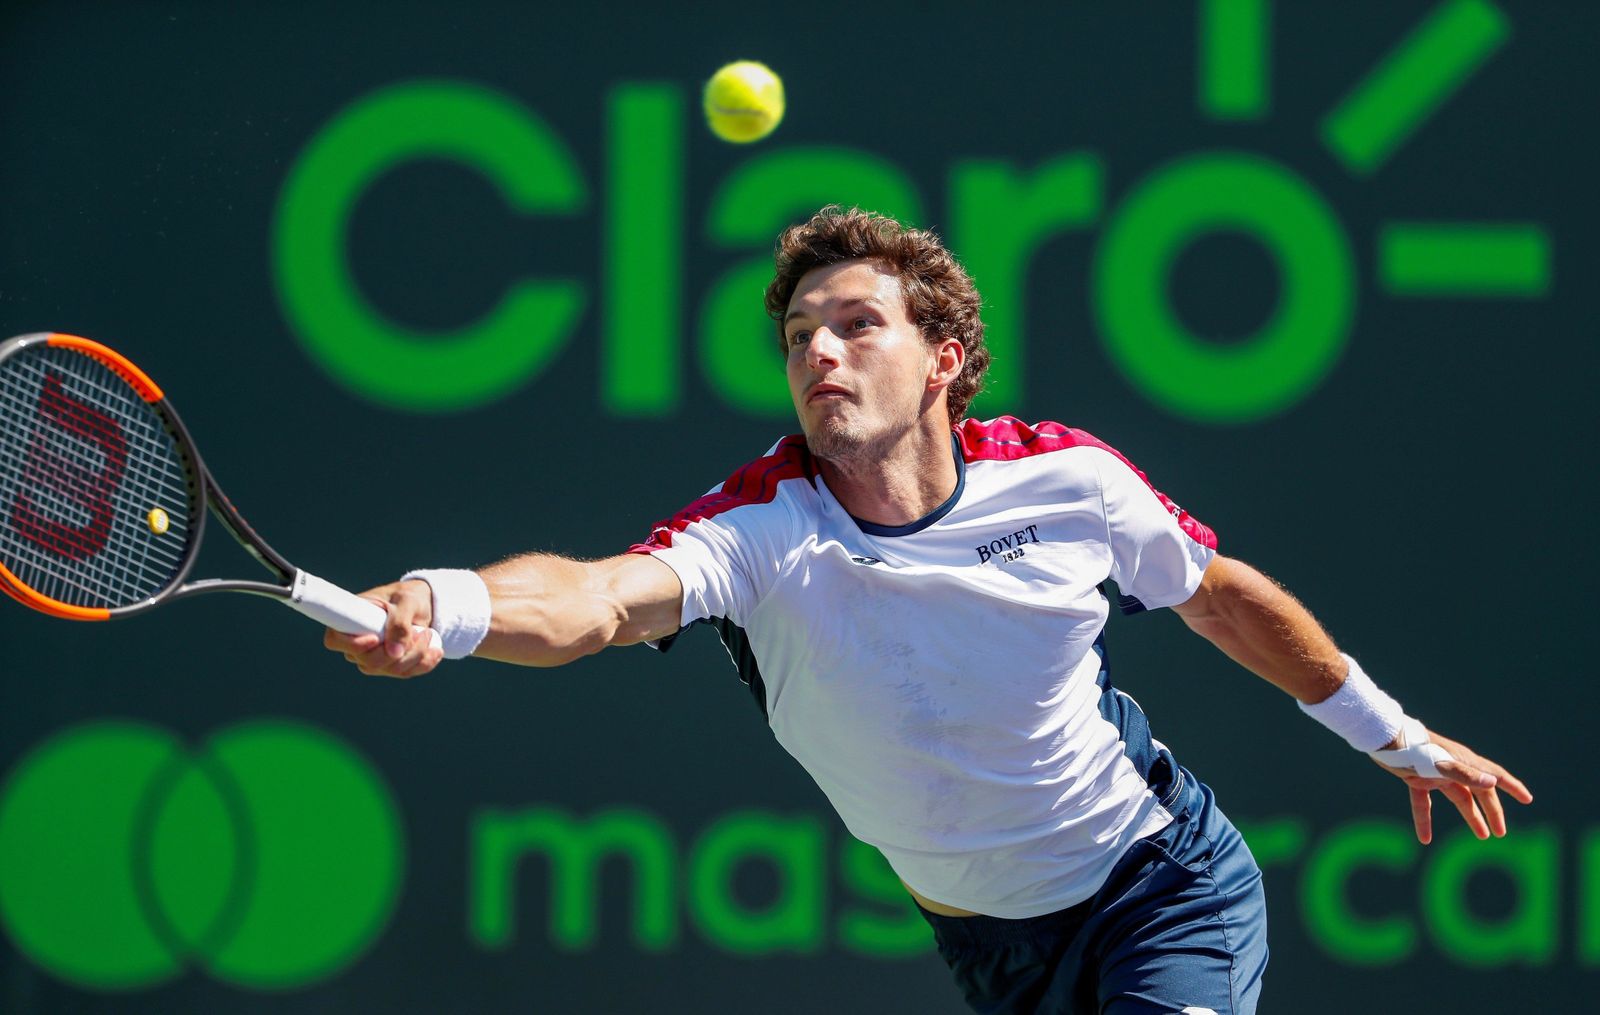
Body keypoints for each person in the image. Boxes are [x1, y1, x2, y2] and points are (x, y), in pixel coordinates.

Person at [324, 206, 1532, 1014]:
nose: (822, 355)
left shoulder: (1067, 479)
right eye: (801, 335)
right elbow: (593, 599)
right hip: (988, 945)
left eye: (858, 325)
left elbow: (1217, 597)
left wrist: (1395, 736)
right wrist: (452, 602)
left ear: (945, 356)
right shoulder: (764, 527)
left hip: (1161, 883)